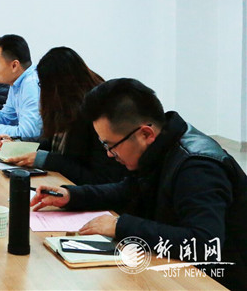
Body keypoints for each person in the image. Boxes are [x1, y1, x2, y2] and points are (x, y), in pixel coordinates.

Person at [31, 78, 247, 289]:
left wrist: (120, 226)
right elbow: (127, 190)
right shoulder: (161, 147)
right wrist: (72, 196)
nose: (109, 154)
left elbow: (205, 244)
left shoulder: (197, 167)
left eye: (111, 145)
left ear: (145, 133)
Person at [0, 47, 127, 185]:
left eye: (44, 85)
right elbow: (51, 144)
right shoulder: (65, 108)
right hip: (62, 185)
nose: (42, 91)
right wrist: (18, 147)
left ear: (59, 87)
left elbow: (100, 179)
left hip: (82, 192)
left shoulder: (96, 115)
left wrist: (46, 159)